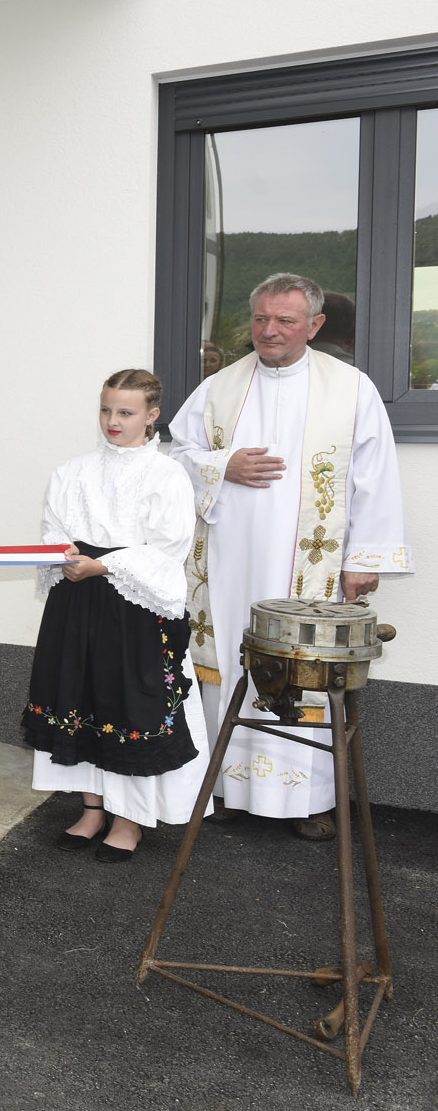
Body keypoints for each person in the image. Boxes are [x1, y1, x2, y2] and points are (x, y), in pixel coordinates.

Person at [169, 272, 413, 839]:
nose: (270, 331)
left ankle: (308, 799)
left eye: (285, 320)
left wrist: (364, 559)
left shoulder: (351, 389)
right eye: (261, 319)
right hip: (229, 564)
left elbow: (376, 478)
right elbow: (177, 455)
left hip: (311, 569)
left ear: (315, 325)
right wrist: (221, 466)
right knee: (232, 663)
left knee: (309, 667)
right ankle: (228, 788)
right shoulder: (220, 386)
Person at [22, 370, 209, 862]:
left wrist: (103, 566)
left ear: (152, 415)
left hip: (133, 606)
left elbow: (168, 547)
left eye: (126, 412)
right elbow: (53, 527)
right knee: (81, 698)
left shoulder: (166, 475)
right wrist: (62, 554)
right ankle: (92, 810)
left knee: (128, 706)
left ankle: (129, 820)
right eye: (106, 410)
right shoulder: (73, 470)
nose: (113, 421)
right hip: (78, 600)